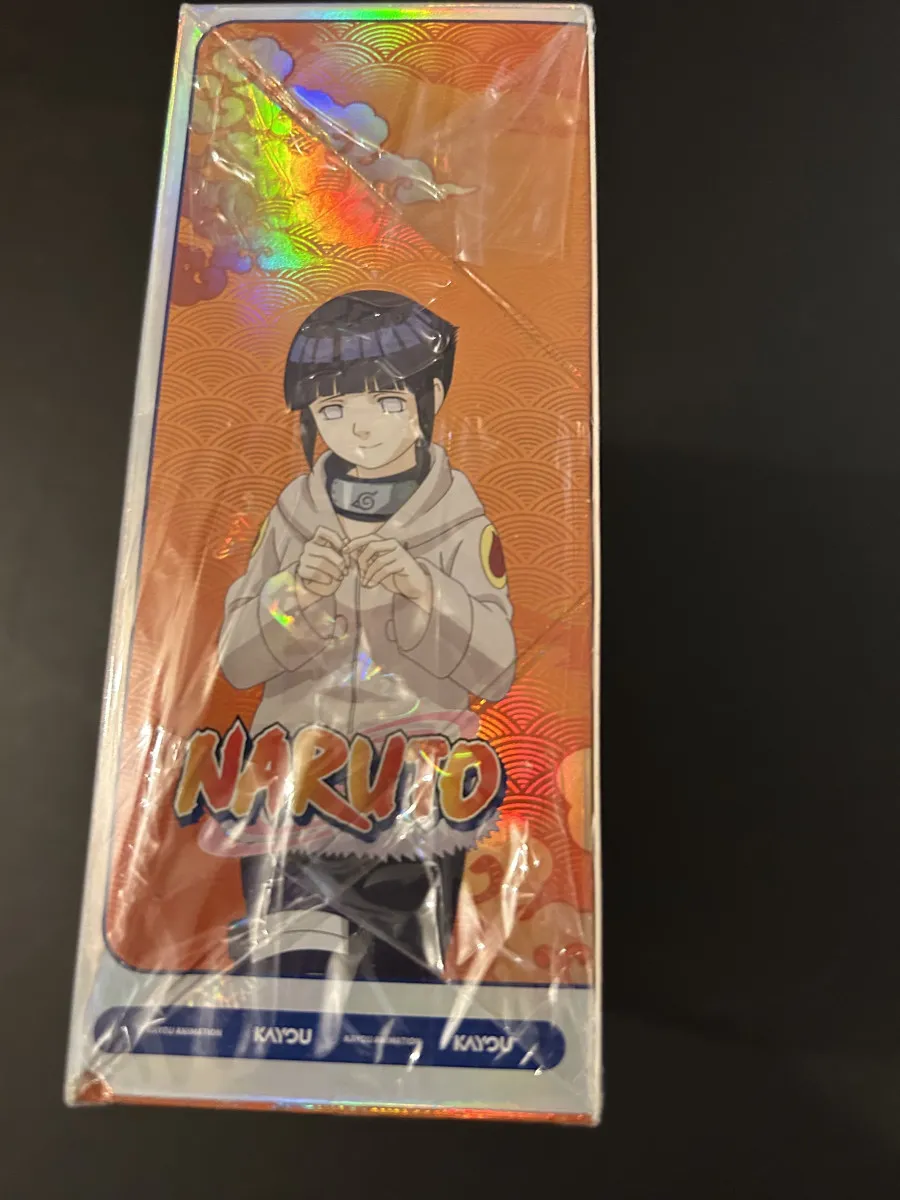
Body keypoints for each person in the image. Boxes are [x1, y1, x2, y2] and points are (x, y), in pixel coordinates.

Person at [217, 290, 516, 980]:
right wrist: (291, 596)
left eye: (386, 402)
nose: (360, 427)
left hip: (415, 799)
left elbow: (495, 671)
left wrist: (425, 592)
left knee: (405, 983)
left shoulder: (459, 521)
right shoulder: (292, 516)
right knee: (287, 982)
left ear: (429, 399)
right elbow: (236, 661)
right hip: (296, 794)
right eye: (332, 409)